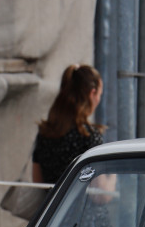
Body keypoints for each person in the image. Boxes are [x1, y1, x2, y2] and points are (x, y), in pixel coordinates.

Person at [32, 64, 105, 194]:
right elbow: (102, 195)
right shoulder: (89, 136)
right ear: (92, 93)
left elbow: (38, 182)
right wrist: (112, 178)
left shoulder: (45, 133)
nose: (99, 100)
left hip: (55, 212)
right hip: (84, 213)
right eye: (99, 94)